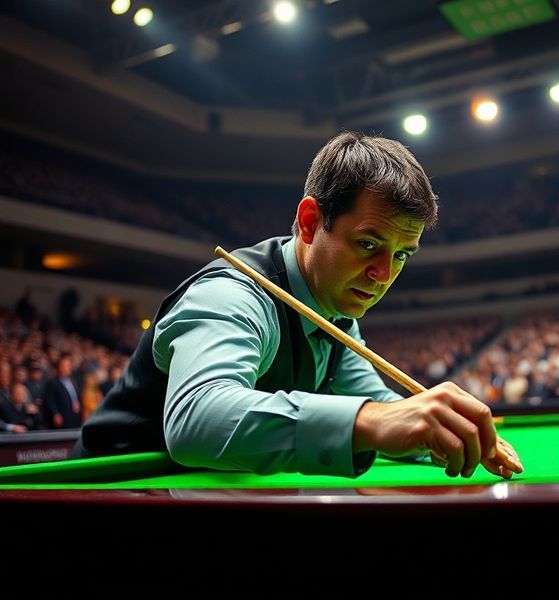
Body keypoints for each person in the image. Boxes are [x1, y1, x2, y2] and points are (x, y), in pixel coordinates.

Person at [75, 132, 522, 480]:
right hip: (93, 498)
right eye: (368, 244)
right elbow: (196, 422)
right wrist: (371, 421)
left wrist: (437, 433)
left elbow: (377, 404)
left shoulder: (335, 311)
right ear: (310, 222)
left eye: (402, 254)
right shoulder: (232, 295)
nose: (384, 274)